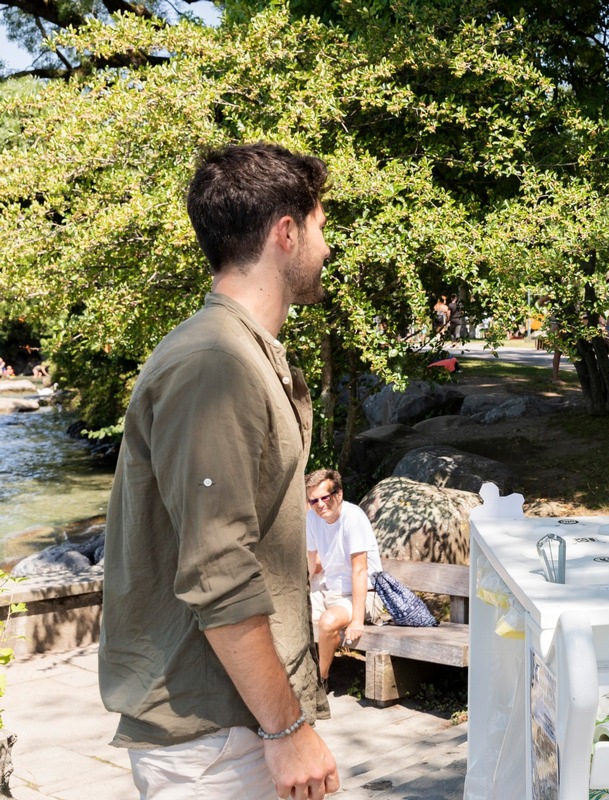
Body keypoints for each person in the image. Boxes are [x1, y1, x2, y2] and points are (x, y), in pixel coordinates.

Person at [98, 143, 340, 799]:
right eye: (321, 225)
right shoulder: (215, 364)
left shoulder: (243, 354)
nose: (328, 245)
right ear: (285, 234)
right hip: (214, 738)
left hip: (238, 724)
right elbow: (217, 569)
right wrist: (286, 730)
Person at [305, 468, 386, 691]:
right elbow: (311, 566)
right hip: (330, 591)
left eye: (325, 497)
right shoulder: (312, 518)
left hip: (365, 595)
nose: (320, 504)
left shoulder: (353, 518)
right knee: (289, 615)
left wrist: (357, 620)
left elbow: (360, 571)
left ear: (339, 494)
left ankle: (319, 683)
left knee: (328, 622)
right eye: (313, 500)